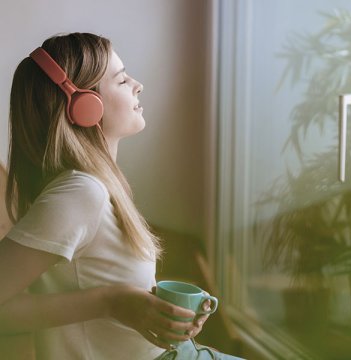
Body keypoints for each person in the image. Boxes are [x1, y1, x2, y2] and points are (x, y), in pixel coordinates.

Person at [0, 32, 211, 360]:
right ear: (84, 105)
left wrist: (152, 310)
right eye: (122, 79)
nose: (137, 84)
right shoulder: (82, 193)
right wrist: (110, 303)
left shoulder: (100, 184)